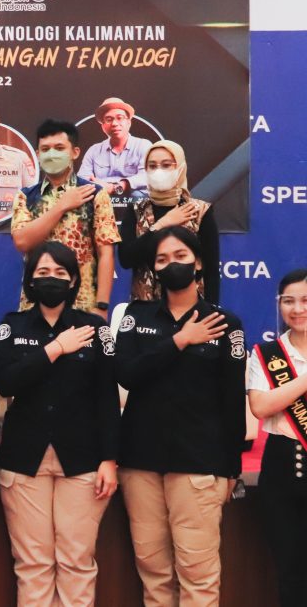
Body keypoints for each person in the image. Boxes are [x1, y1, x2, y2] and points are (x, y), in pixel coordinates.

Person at [116, 227, 245, 607]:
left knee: (198, 575)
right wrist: (179, 340)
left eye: (180, 256)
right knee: (153, 571)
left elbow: (232, 400)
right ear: (154, 269)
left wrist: (231, 468)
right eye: (162, 259)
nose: (172, 264)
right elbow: (126, 374)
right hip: (140, 461)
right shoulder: (135, 316)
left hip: (199, 463)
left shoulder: (224, 323)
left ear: (198, 262)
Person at [0, 241, 120, 607]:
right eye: (43, 272)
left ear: (74, 280)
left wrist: (109, 459)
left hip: (82, 458)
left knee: (76, 561)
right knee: (33, 563)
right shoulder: (12, 325)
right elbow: (5, 382)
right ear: (30, 281)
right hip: (23, 457)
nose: (52, 279)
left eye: (60, 273)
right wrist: (54, 349)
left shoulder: (94, 328)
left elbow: (107, 398)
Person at [11, 120, 120, 319]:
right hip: (35, 305)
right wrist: (62, 206)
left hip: (83, 305)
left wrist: (102, 306)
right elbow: (22, 241)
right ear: (38, 154)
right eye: (46, 149)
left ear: (75, 152)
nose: (52, 154)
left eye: (59, 148)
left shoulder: (94, 194)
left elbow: (106, 253)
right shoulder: (26, 196)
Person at [245, 269, 307, 607]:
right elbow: (260, 406)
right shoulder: (267, 353)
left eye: (305, 301)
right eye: (289, 301)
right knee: (289, 570)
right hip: (282, 466)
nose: (297, 309)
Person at [118, 140, 220, 303]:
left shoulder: (199, 210)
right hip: (146, 309)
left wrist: (211, 310)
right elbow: (126, 259)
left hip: (192, 307)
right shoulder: (136, 210)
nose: (158, 171)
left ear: (180, 167)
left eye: (166, 165)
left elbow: (211, 270)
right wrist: (162, 224)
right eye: (152, 166)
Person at [78, 97, 152, 198]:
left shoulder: (143, 145)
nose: (114, 123)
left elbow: (147, 176)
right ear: (103, 126)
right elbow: (83, 178)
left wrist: (117, 187)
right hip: (101, 197)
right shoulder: (94, 150)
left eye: (120, 118)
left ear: (129, 122)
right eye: (109, 119)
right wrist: (99, 187)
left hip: (134, 199)